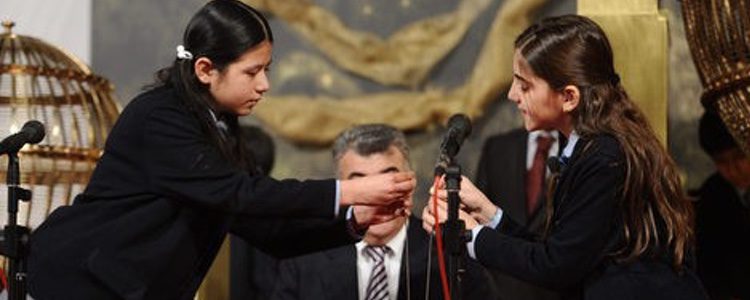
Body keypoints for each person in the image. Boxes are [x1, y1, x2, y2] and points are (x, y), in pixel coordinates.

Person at [26, 1, 415, 299]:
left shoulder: (221, 124)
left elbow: (263, 224)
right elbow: (238, 193)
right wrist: (347, 191)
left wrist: (354, 221)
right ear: (205, 70)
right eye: (252, 72)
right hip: (84, 283)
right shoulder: (159, 117)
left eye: (267, 69)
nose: (264, 84)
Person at [423, 15, 707, 299]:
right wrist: (489, 214)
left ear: (569, 97)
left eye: (525, 86)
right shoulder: (586, 146)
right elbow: (562, 250)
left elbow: (557, 266)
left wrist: (470, 234)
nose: (512, 95)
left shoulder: (605, 157)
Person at [273, 124, 497, 300]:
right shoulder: (305, 257)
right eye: (360, 183)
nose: (376, 195)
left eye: (389, 179)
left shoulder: (452, 255)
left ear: (411, 184)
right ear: (341, 191)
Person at [475, 128, 562, 300]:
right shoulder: (497, 147)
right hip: (501, 290)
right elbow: (478, 217)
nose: (515, 99)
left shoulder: (581, 151)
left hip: (556, 290)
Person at [693, 111, 750, 300]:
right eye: (722, 162)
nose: (733, 169)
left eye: (739, 157)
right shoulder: (712, 194)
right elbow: (707, 263)